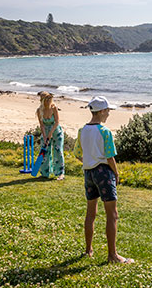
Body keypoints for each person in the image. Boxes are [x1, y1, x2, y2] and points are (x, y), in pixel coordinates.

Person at [73, 96, 134, 264]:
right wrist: (116, 173)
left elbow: (78, 153)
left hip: (89, 173)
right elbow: (110, 157)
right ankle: (112, 255)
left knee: (91, 213)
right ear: (101, 111)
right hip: (103, 173)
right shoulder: (104, 131)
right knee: (112, 215)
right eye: (107, 110)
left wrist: (89, 161)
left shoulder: (82, 130)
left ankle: (88, 250)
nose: (108, 114)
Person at [35, 91, 65, 180]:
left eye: (49, 99)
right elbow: (42, 125)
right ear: (42, 100)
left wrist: (50, 134)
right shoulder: (39, 110)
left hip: (56, 131)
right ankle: (45, 173)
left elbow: (57, 122)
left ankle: (60, 174)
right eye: (46, 100)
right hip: (45, 132)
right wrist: (45, 137)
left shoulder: (54, 107)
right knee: (45, 152)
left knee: (58, 151)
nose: (48, 102)